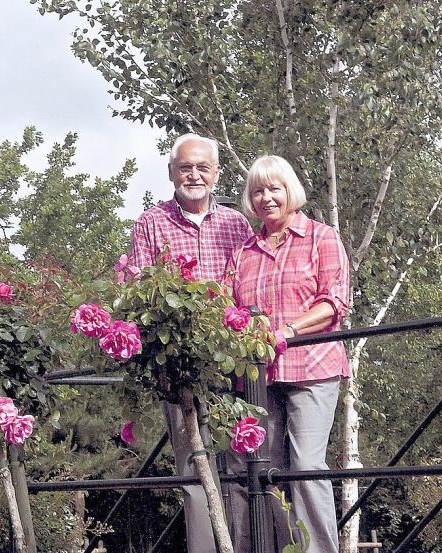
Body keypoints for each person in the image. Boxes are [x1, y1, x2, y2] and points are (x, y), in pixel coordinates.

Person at [128, 133, 254, 553]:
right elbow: (136, 290)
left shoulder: (237, 223)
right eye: (185, 167)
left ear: (217, 174)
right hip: (178, 365)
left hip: (232, 362)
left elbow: (249, 289)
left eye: (203, 167)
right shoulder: (151, 223)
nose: (194, 175)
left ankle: (245, 547)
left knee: (242, 460)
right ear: (171, 173)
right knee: (193, 467)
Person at [228, 155, 350, 553]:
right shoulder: (243, 251)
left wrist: (288, 330)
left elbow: (335, 302)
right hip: (260, 376)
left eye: (274, 188)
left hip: (312, 366)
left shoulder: (321, 237)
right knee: (268, 473)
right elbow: (230, 310)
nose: (266, 197)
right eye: (258, 191)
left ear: (290, 191)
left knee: (307, 466)